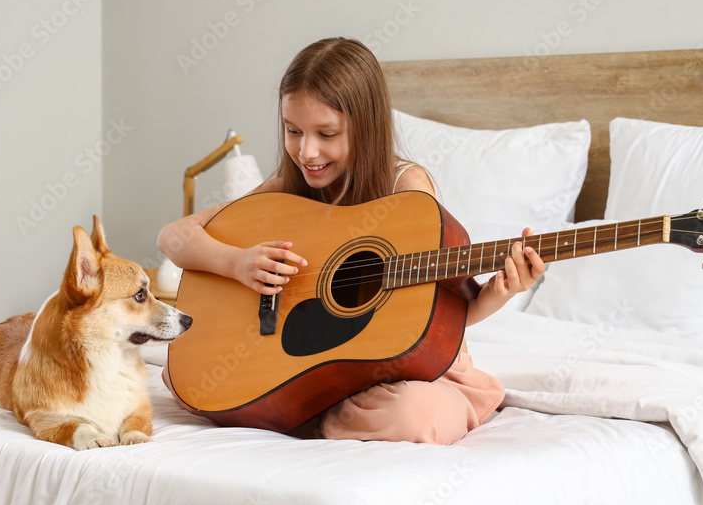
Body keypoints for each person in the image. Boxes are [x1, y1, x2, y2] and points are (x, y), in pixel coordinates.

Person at [157, 37, 545, 445]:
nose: (307, 151)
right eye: (293, 131)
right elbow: (173, 237)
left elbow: (432, 319)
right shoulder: (287, 188)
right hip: (312, 364)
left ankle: (300, 411)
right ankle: (293, 399)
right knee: (183, 372)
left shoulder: (406, 189)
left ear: (366, 127)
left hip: (402, 370)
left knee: (416, 416)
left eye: (326, 133)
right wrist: (237, 262)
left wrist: (499, 293)